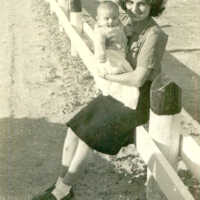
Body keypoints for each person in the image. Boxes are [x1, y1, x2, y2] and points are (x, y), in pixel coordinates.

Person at [32, 0, 168, 199]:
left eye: (143, 4)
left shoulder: (154, 35)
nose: (134, 8)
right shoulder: (124, 22)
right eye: (131, 1)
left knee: (88, 136)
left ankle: (60, 193)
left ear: (153, 6)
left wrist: (106, 76)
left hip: (137, 101)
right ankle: (62, 186)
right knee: (74, 129)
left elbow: (139, 78)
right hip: (119, 93)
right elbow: (102, 36)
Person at [94, 1, 140, 109]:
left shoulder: (119, 24)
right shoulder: (101, 30)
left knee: (122, 74)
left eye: (114, 18)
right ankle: (113, 93)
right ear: (98, 19)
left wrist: (129, 32)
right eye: (106, 18)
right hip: (111, 56)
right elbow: (99, 43)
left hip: (120, 53)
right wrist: (101, 53)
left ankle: (119, 94)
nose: (111, 21)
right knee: (117, 72)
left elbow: (125, 32)